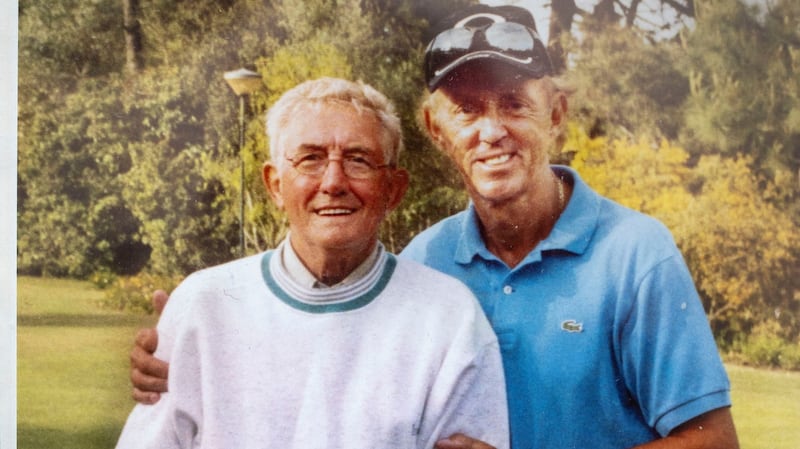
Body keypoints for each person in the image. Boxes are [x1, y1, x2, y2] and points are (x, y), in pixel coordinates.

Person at [129, 5, 741, 449]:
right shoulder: (426, 260)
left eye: (515, 104)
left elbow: (714, 442)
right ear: (435, 128)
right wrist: (184, 346)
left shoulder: (636, 254)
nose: (491, 130)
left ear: (557, 112)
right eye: (468, 110)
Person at [115, 77, 509, 449]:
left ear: (393, 189)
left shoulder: (448, 317)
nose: (333, 182)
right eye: (310, 159)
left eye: (359, 160)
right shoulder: (204, 303)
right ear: (274, 185)